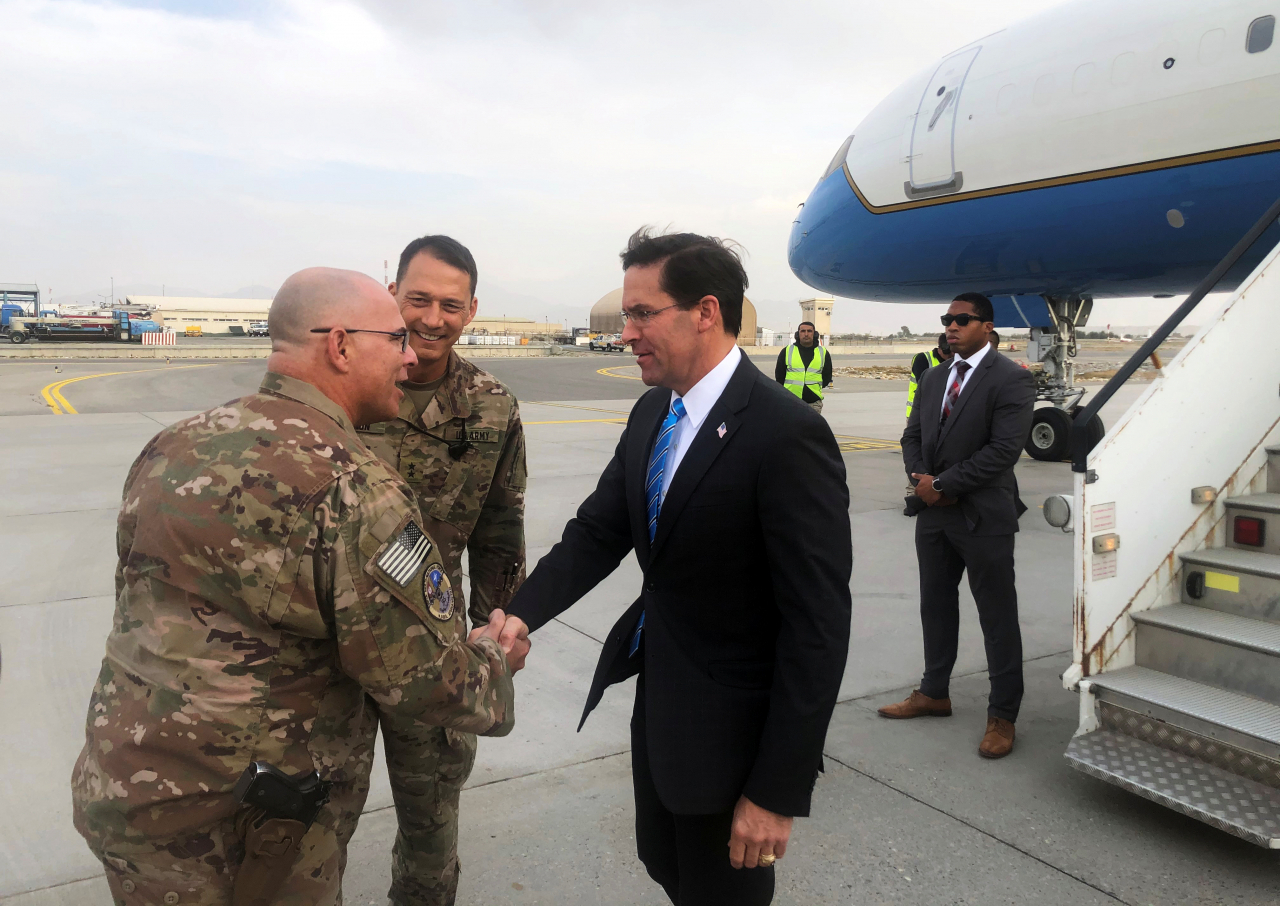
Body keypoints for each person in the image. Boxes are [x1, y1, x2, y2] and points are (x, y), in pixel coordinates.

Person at [70, 268, 527, 905]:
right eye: (394, 338)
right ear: (340, 346)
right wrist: (495, 663)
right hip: (249, 815)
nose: (408, 354)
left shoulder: (173, 446)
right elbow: (425, 681)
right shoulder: (353, 490)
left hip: (128, 785)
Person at [496, 229, 852, 905]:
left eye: (641, 314)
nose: (626, 333)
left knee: (721, 894)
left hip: (734, 733)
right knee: (665, 863)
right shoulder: (654, 411)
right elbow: (600, 530)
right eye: (626, 315)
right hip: (664, 703)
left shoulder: (785, 434)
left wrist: (776, 790)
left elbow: (819, 626)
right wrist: (521, 611)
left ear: (706, 312)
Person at [357, 235, 527, 906]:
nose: (432, 318)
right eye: (419, 298)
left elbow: (500, 529)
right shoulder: (343, 385)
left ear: (472, 309)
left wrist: (496, 630)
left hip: (433, 643)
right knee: (309, 819)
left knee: (431, 819)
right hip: (325, 646)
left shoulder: (491, 406)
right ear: (391, 292)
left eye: (450, 305)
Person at [883, 291, 1035, 759]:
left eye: (962, 320)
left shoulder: (1011, 379)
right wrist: (921, 480)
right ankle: (934, 692)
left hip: (982, 516)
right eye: (947, 319)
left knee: (996, 616)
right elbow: (912, 435)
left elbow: (1003, 451)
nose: (951, 326)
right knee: (936, 605)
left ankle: (1003, 714)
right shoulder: (932, 378)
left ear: (987, 327)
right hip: (933, 517)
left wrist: (944, 484)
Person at [774, 321, 831, 412]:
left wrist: (813, 389)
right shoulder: (787, 351)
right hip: (790, 400)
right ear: (798, 334)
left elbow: (827, 376)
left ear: (814, 334)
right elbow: (779, 375)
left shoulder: (823, 352)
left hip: (813, 402)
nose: (806, 334)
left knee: (812, 426)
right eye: (803, 331)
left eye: (809, 331)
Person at [905, 333, 951, 419]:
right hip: (919, 414)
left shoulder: (954, 360)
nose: (951, 356)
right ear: (942, 348)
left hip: (942, 415)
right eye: (949, 354)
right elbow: (926, 387)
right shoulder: (923, 359)